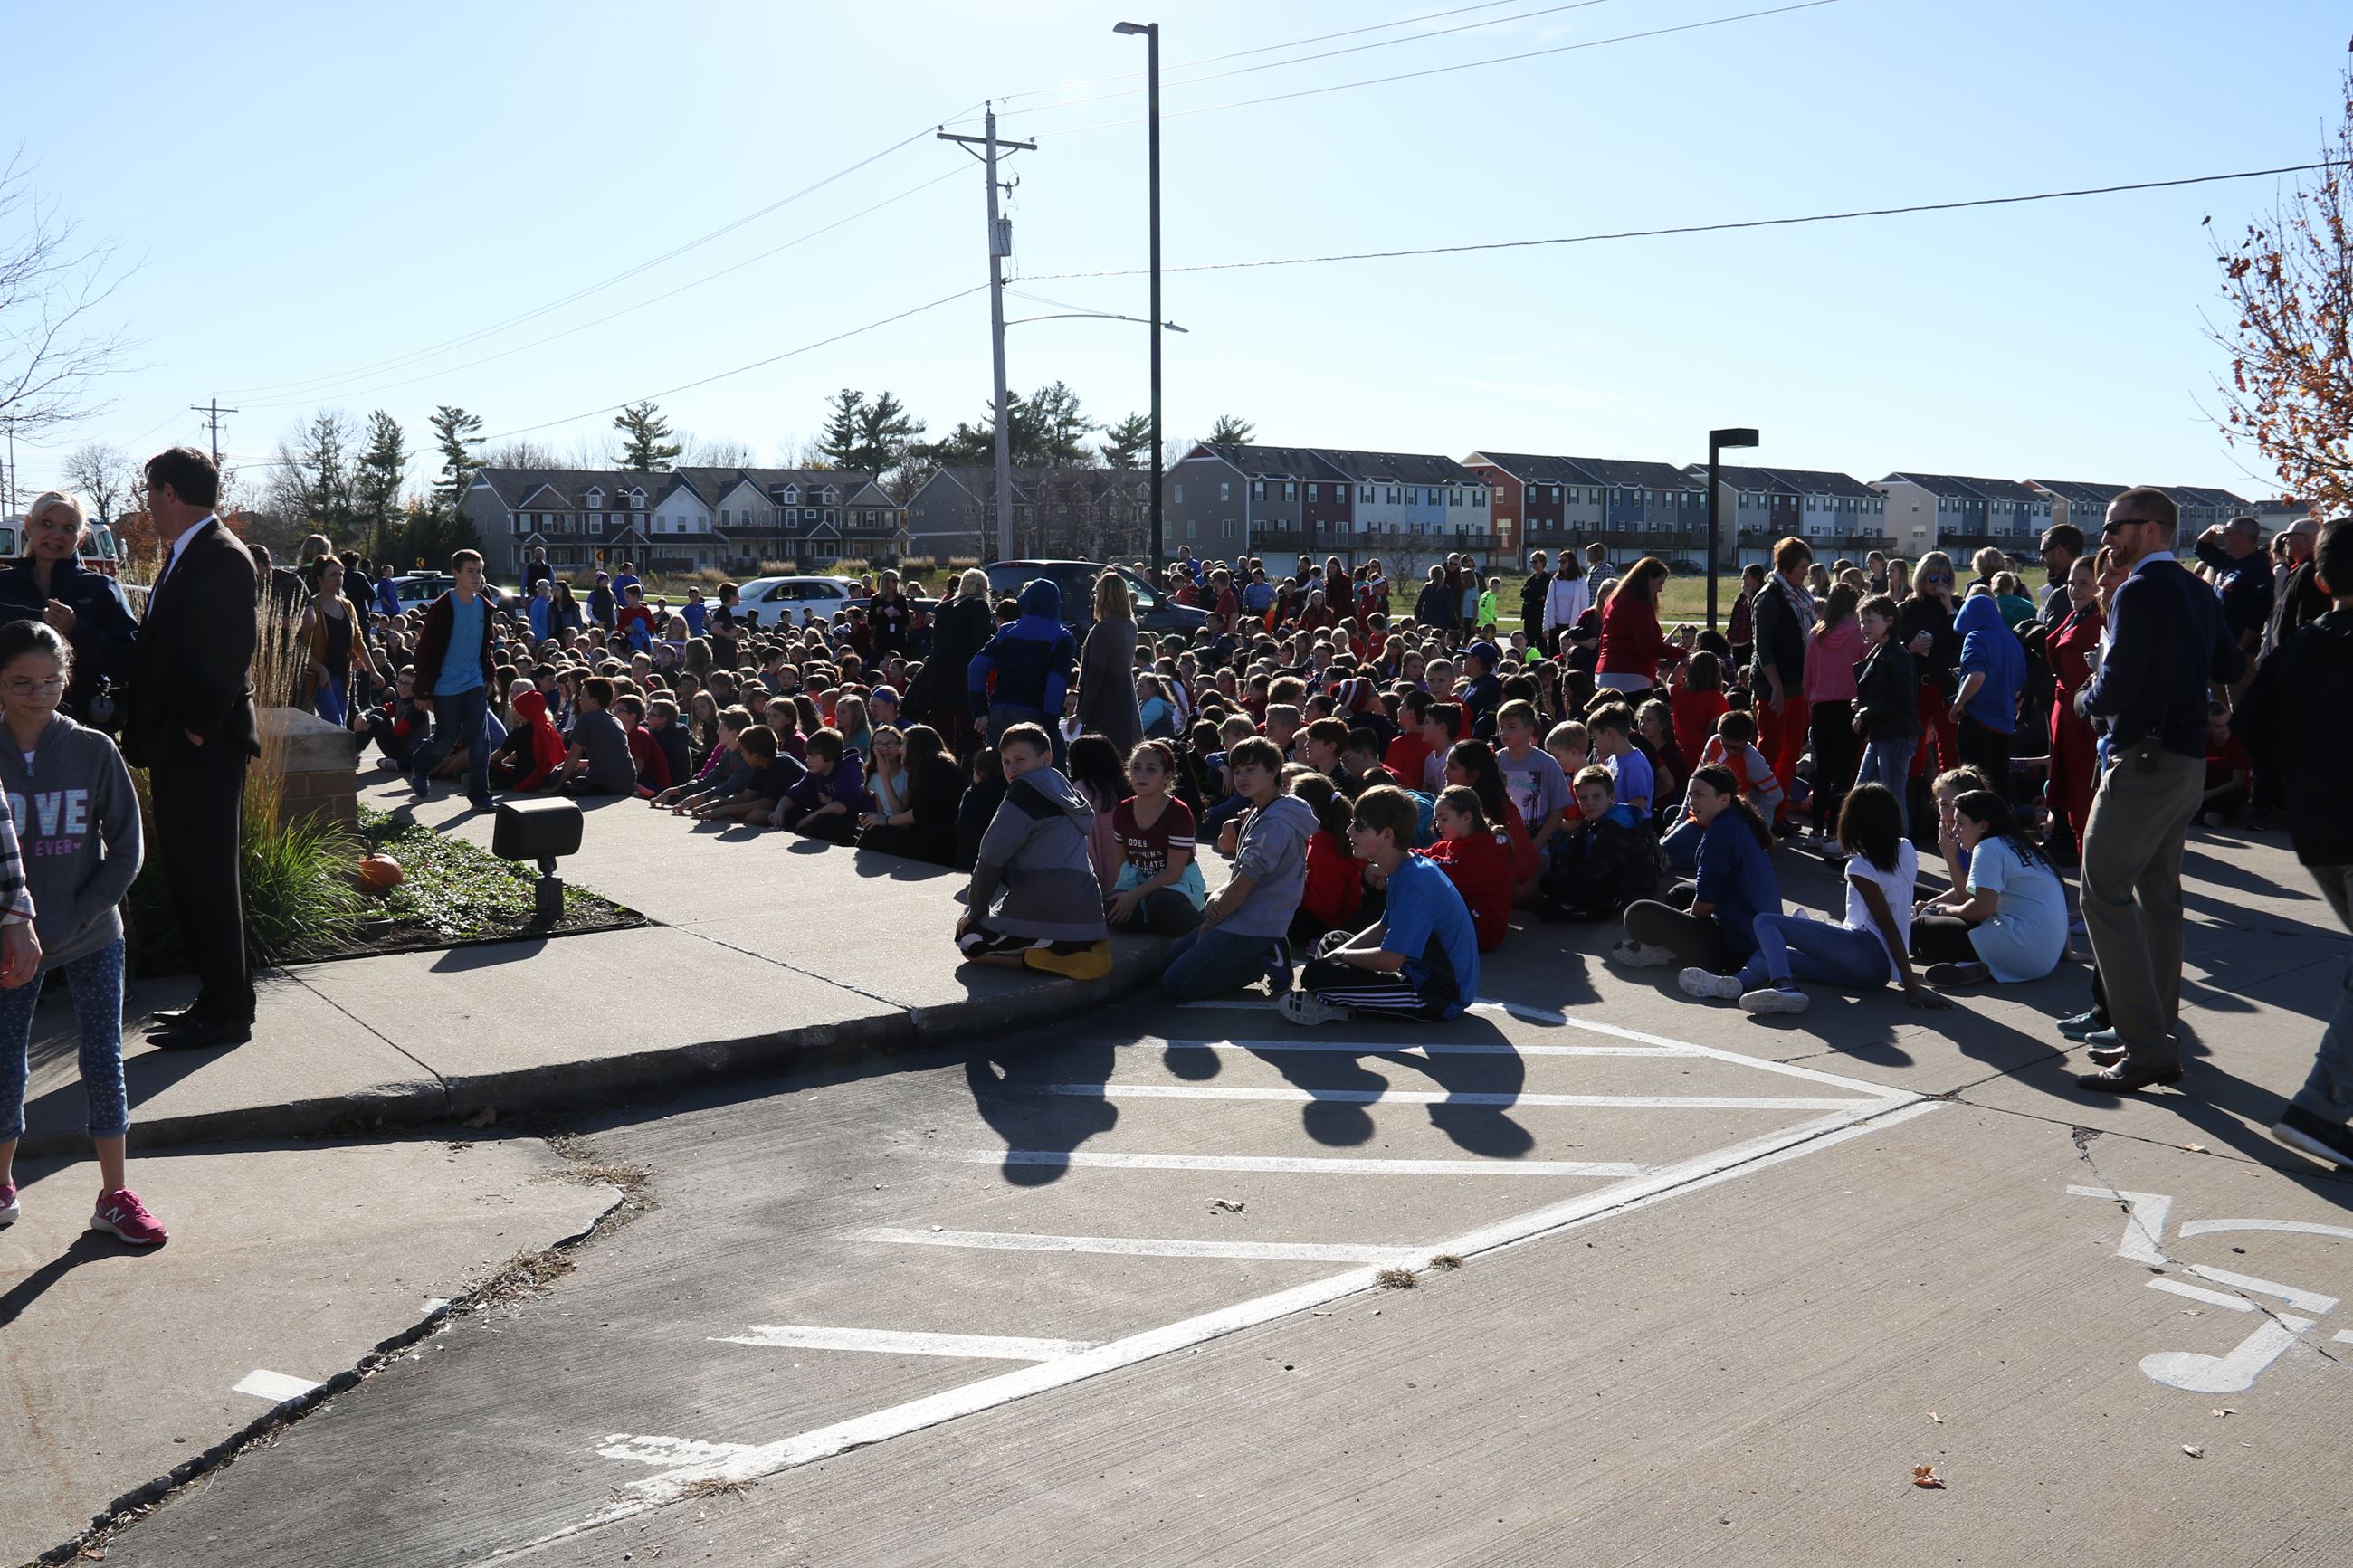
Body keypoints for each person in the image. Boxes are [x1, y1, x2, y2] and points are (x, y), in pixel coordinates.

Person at [2072, 486, 2246, 1093]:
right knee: (2159, 898)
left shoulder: (2140, 591)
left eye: (2115, 526)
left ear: (2152, 530)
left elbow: (2115, 689)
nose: (2107, 538)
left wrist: (2084, 696)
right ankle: (2155, 1034)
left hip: (2143, 762)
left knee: (2102, 894)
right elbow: (2231, 666)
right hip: (2185, 762)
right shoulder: (2199, 590)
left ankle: (2147, 1045)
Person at [0, 619, 162, 1243]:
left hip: (92, 932)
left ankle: (115, 1193)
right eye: (20, 682)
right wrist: (15, 924)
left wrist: (78, 913)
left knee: (103, 1059)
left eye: (49, 681)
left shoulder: (95, 749)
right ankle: (4, 1180)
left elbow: (127, 847)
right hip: (11, 942)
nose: (37, 694)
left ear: (65, 678)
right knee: (6, 1062)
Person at [123, 447, 258, 1051]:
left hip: (205, 749)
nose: (146, 504)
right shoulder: (187, 555)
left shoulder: (222, 556)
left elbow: (229, 655)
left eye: (150, 492)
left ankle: (229, 1010)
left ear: (171, 493)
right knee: (190, 875)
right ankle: (214, 998)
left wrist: (196, 731)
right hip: (184, 747)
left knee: (207, 876)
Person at [2232, 516, 2353, 1166]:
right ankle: (2320, 1107)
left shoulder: (2300, 646)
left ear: (2322, 577)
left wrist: (2292, 779)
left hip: (2317, 829)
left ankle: (2325, 1105)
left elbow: (2248, 722)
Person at [1678, 783, 1946, 1017]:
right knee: (1778, 953)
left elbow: (1886, 925)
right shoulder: (1907, 850)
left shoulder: (1860, 867)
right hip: (1874, 976)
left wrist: (1912, 988)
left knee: (1767, 922)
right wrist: (1903, 979)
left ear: (1853, 821)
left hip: (1866, 951)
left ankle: (1784, 987)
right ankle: (1736, 984)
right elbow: (1895, 919)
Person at [1280, 784, 1479, 1027]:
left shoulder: (1414, 881)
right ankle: (1334, 997)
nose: (1349, 831)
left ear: (1387, 835)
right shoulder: (1404, 867)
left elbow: (1390, 960)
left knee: (1316, 974)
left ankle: (1331, 1001)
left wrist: (1339, 958)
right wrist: (1336, 954)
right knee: (1333, 939)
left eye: (1359, 826)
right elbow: (1384, 926)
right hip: (1414, 971)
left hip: (1436, 995)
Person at [955, 724, 1111, 981]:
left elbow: (991, 857)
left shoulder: (1024, 790)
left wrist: (974, 911)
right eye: (1006, 761)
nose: (1012, 768)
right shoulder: (1063, 786)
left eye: (1020, 759)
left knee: (968, 940)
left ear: (1046, 758)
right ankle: (1080, 947)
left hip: (1048, 919)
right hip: (1088, 922)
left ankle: (1036, 960)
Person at [1161, 736, 1314, 1000]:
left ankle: (1259, 961)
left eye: (1250, 770)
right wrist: (1218, 897)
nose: (1241, 777)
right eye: (1238, 770)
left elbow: (1242, 887)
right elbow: (1238, 876)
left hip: (1256, 924)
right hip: (1240, 915)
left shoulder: (1275, 824)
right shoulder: (1259, 811)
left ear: (1273, 771)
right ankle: (1259, 951)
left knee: (1175, 985)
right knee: (1165, 967)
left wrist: (1210, 923)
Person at [1612, 765, 1780, 974]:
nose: (1692, 801)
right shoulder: (1736, 819)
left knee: (1637, 913)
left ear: (1724, 799)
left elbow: (1705, 905)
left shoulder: (1721, 833)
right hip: (1758, 936)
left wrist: (1681, 921)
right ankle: (1676, 948)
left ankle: (1671, 952)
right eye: (1690, 794)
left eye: (1700, 794)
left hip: (1736, 950)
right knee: (1680, 891)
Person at [0, 490, 138, 728]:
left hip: (82, 726)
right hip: (10, 728)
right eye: (47, 524)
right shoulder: (5, 585)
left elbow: (130, 663)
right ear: (28, 526)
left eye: (68, 528)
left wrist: (76, 628)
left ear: (81, 537)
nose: (56, 534)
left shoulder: (100, 588)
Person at [1911, 790, 2069, 986]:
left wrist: (1946, 909)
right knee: (1924, 907)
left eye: (1960, 824)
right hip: (2044, 956)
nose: (1954, 832)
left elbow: (1981, 909)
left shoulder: (1988, 848)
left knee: (1920, 927)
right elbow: (1967, 896)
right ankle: (1975, 967)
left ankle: (1874, 942)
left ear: (1983, 825)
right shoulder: (2022, 843)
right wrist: (2067, 953)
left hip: (2019, 948)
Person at [408, 550, 499, 812]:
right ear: (456, 574)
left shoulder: (484, 605)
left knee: (481, 739)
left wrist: (489, 675)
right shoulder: (442, 607)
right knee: (446, 738)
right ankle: (421, 766)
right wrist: (422, 691)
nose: (476, 576)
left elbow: (487, 645)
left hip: (474, 683)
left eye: (479, 570)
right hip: (445, 685)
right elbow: (425, 651)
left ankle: (481, 795)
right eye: (470, 571)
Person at [969, 578, 1078, 766]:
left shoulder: (1007, 631)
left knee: (996, 773)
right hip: (1034, 714)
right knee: (1056, 769)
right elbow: (1056, 682)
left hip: (999, 711)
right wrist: (1050, 723)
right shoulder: (1062, 637)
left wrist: (980, 710)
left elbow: (976, 668)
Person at [1103, 739, 1205, 936]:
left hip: (1178, 885)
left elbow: (1173, 872)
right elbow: (1123, 860)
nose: (1142, 774)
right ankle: (1154, 921)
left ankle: (1204, 933)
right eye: (1136, 767)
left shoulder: (1178, 812)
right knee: (1106, 905)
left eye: (1151, 769)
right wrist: (1126, 894)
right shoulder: (1122, 810)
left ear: (1167, 777)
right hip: (1138, 883)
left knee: (1161, 903)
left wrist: (1134, 896)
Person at [1749, 536, 1814, 820]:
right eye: (1802, 567)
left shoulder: (1802, 599)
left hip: (1796, 684)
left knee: (1790, 752)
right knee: (1770, 753)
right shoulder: (1769, 598)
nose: (1806, 572)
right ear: (1787, 567)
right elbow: (1763, 647)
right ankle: (1758, 812)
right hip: (1772, 686)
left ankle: (1779, 810)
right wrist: (1775, 686)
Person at [2044, 555, 2104, 861]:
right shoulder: (2077, 615)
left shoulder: (2102, 619)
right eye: (2071, 583)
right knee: (2068, 795)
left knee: (2084, 798)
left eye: (2084, 583)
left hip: (2083, 718)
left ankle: (2092, 875)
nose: (2074, 590)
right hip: (2064, 713)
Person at [1851, 593, 1921, 836]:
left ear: (1889, 621)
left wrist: (1865, 713)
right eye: (1862, 620)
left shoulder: (1898, 655)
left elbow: (1902, 701)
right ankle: (1860, 850)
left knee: (1892, 796)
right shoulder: (1883, 652)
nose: (1864, 626)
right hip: (1883, 734)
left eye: (1870, 620)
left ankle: (1900, 853)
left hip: (1896, 736)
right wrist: (1863, 707)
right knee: (1862, 790)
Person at [857, 723, 967, 867]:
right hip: (932, 833)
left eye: (902, 744)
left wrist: (884, 820)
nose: (900, 750)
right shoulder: (926, 766)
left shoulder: (935, 765)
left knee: (880, 832)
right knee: (875, 831)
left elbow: (921, 813)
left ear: (916, 747)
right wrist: (878, 819)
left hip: (945, 838)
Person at [1418, 784, 1512, 951]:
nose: (1438, 825)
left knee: (1420, 881)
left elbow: (1432, 868)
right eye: (1436, 819)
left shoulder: (1481, 853)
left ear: (1466, 817)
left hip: (1483, 931)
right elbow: (1421, 855)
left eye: (1444, 819)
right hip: (1470, 922)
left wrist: (1396, 862)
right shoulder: (1455, 844)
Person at [1804, 583, 1863, 840]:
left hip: (1821, 707)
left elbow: (1808, 678)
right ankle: (1834, 832)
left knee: (1822, 770)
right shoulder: (1859, 634)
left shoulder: (1816, 636)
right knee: (1843, 772)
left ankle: (1816, 829)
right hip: (1848, 707)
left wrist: (1811, 705)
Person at [1951, 589, 2024, 801]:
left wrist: (1957, 704)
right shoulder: (2012, 641)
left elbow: (1976, 676)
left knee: (1975, 787)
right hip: (2004, 724)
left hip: (1977, 721)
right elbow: (2018, 690)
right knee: (1999, 785)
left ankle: (1977, 831)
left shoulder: (1975, 637)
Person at [1595, 556, 1682, 702]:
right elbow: (1647, 646)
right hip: (1630, 676)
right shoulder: (1638, 603)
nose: (1660, 589)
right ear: (1648, 578)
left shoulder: (1614, 598)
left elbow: (1603, 638)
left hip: (1604, 673)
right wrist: (1682, 653)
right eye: (1659, 582)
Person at [1075, 571, 1142, 753]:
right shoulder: (1130, 626)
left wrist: (1080, 714)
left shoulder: (1103, 629)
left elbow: (1095, 674)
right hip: (1126, 703)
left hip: (1105, 707)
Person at [299, 555, 365, 727]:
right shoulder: (311, 607)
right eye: (333, 575)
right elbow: (301, 648)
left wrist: (373, 671)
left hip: (342, 676)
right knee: (336, 725)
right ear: (319, 579)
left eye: (341, 574)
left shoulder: (347, 605)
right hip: (320, 678)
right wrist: (320, 669)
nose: (338, 579)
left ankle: (330, 754)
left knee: (338, 729)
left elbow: (357, 640)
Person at [555, 676, 638, 796]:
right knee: (579, 776)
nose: (579, 699)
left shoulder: (585, 719)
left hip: (605, 783)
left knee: (557, 775)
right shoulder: (615, 720)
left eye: (582, 696)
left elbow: (573, 757)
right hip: (627, 782)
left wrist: (557, 786)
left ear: (593, 702)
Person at [1519, 551, 1554, 653]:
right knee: (1529, 641)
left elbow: (1542, 595)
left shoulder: (1547, 578)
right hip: (1529, 614)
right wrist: (1533, 594)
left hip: (1540, 614)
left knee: (1540, 641)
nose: (1533, 564)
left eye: (1535, 561)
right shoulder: (1531, 579)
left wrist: (1532, 594)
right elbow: (1523, 593)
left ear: (1542, 562)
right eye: (1531, 562)